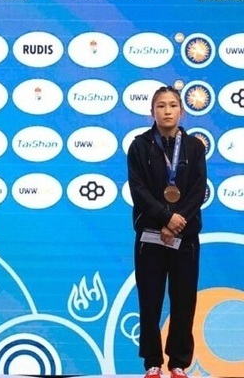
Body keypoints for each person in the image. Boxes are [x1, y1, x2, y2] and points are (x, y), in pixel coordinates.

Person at [127, 85, 207, 378]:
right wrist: (165, 218)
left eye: (172, 105)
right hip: (150, 236)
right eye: (161, 106)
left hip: (185, 237)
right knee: (150, 301)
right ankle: (152, 362)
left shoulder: (195, 147)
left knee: (184, 301)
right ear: (152, 112)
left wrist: (178, 221)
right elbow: (138, 189)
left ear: (181, 111)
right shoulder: (139, 146)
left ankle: (178, 363)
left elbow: (198, 189)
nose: (167, 111)